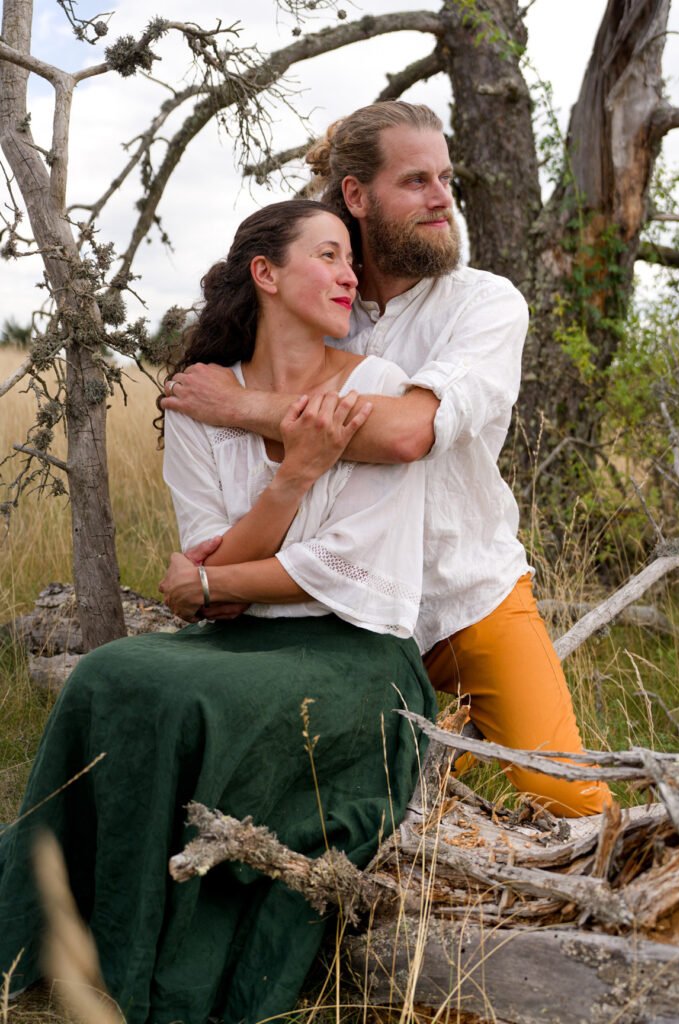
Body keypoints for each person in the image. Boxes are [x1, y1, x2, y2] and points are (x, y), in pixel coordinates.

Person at [0, 200, 436, 1024]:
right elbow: (218, 563)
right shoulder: (202, 401)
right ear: (265, 274)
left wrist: (212, 584)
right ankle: (64, 930)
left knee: (193, 702)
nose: (351, 274)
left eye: (354, 260)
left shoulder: (372, 393)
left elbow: (348, 571)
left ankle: (173, 963)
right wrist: (293, 477)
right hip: (237, 640)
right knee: (108, 673)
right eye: (329, 255)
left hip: (356, 651)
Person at [161, 101, 612, 818]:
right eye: (416, 181)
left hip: (463, 600)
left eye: (445, 177)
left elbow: (408, 433)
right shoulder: (317, 296)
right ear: (354, 196)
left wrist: (241, 407)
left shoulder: (482, 305)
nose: (442, 199)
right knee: (326, 807)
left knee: (563, 792)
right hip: (335, 612)